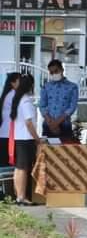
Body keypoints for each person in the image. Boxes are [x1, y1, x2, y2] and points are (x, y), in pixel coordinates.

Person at [8, 74, 43, 206]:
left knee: (18, 168)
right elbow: (29, 123)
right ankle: (22, 197)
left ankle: (18, 196)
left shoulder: (17, 99)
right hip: (26, 139)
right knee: (23, 168)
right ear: (31, 86)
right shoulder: (26, 101)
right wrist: (37, 139)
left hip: (18, 138)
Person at [39, 59, 79, 141]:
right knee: (47, 152)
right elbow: (42, 105)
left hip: (64, 125)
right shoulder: (46, 87)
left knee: (64, 151)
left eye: (56, 71)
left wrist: (57, 122)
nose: (54, 74)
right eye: (51, 72)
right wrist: (51, 123)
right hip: (48, 125)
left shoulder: (72, 87)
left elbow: (72, 107)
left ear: (62, 70)